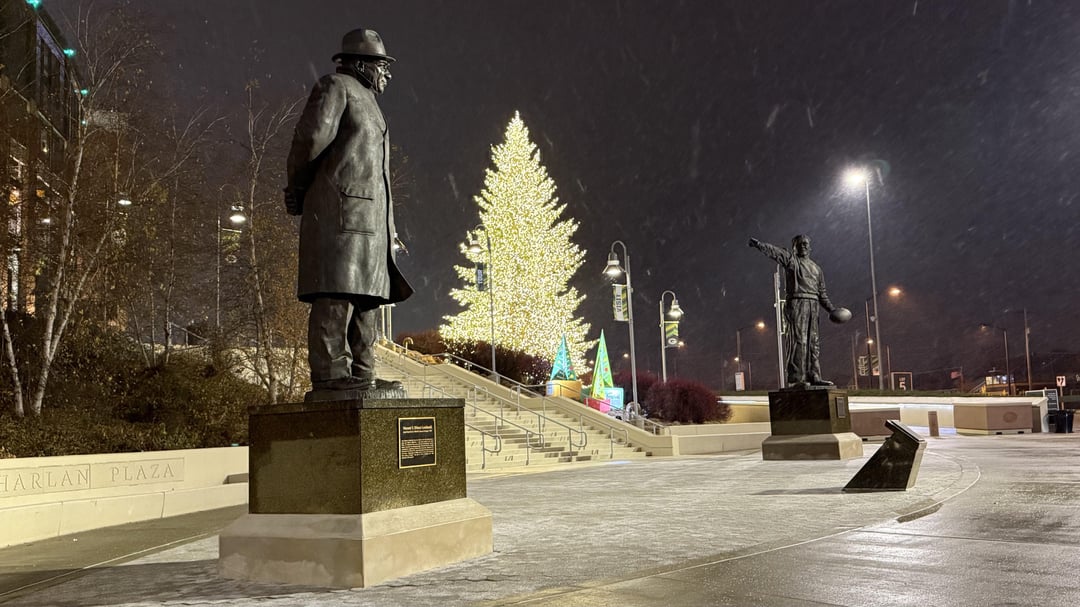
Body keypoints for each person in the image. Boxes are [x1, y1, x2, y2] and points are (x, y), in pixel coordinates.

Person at [284, 28, 413, 392]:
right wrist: (296, 188)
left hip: (371, 222)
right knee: (336, 295)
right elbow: (308, 140)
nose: (387, 74)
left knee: (366, 300)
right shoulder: (336, 88)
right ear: (360, 64)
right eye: (382, 66)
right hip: (339, 217)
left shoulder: (371, 103)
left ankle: (363, 373)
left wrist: (389, 227)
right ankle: (330, 375)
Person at [748, 234, 837, 388]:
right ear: (794, 247)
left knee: (813, 342)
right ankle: (797, 378)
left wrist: (832, 310)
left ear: (810, 247)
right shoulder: (791, 261)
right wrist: (760, 245)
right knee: (798, 341)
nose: (803, 246)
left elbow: (822, 294)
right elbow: (775, 252)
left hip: (813, 305)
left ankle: (814, 375)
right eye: (800, 244)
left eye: (806, 244)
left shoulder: (817, 269)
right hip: (796, 303)